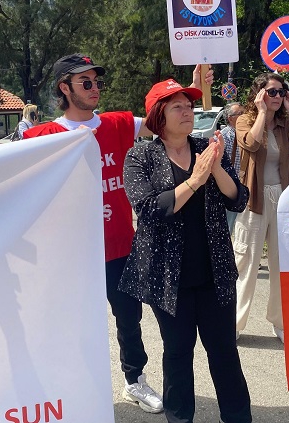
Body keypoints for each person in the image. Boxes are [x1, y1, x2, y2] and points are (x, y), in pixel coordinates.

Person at [23, 53, 212, 414]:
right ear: (65, 87)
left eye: (97, 82)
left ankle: (134, 380)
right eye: (86, 83)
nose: (95, 89)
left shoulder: (119, 123)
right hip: (70, 253)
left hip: (120, 247)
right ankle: (74, 386)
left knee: (129, 319)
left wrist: (195, 90)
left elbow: (167, 119)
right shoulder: (40, 136)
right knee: (73, 321)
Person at [120, 79, 251, 423]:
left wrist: (217, 168)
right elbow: (149, 209)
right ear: (158, 116)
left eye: (189, 105)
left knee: (224, 352)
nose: (187, 112)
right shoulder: (140, 156)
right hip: (168, 277)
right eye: (177, 106)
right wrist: (195, 179)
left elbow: (238, 197)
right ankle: (180, 418)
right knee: (177, 353)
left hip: (214, 271)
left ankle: (238, 417)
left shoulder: (205, 147)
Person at [233, 72, 289, 343]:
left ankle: (279, 322)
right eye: (272, 92)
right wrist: (261, 113)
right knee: (246, 262)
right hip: (253, 199)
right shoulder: (245, 120)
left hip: (282, 198)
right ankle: (234, 323)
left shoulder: (284, 123)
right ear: (259, 94)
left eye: (281, 92)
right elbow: (251, 143)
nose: (277, 97)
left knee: (281, 264)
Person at [221, 101, 244, 231]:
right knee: (228, 227)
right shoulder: (224, 137)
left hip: (246, 187)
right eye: (240, 114)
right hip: (231, 189)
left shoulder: (248, 135)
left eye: (244, 113)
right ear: (230, 118)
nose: (244, 116)